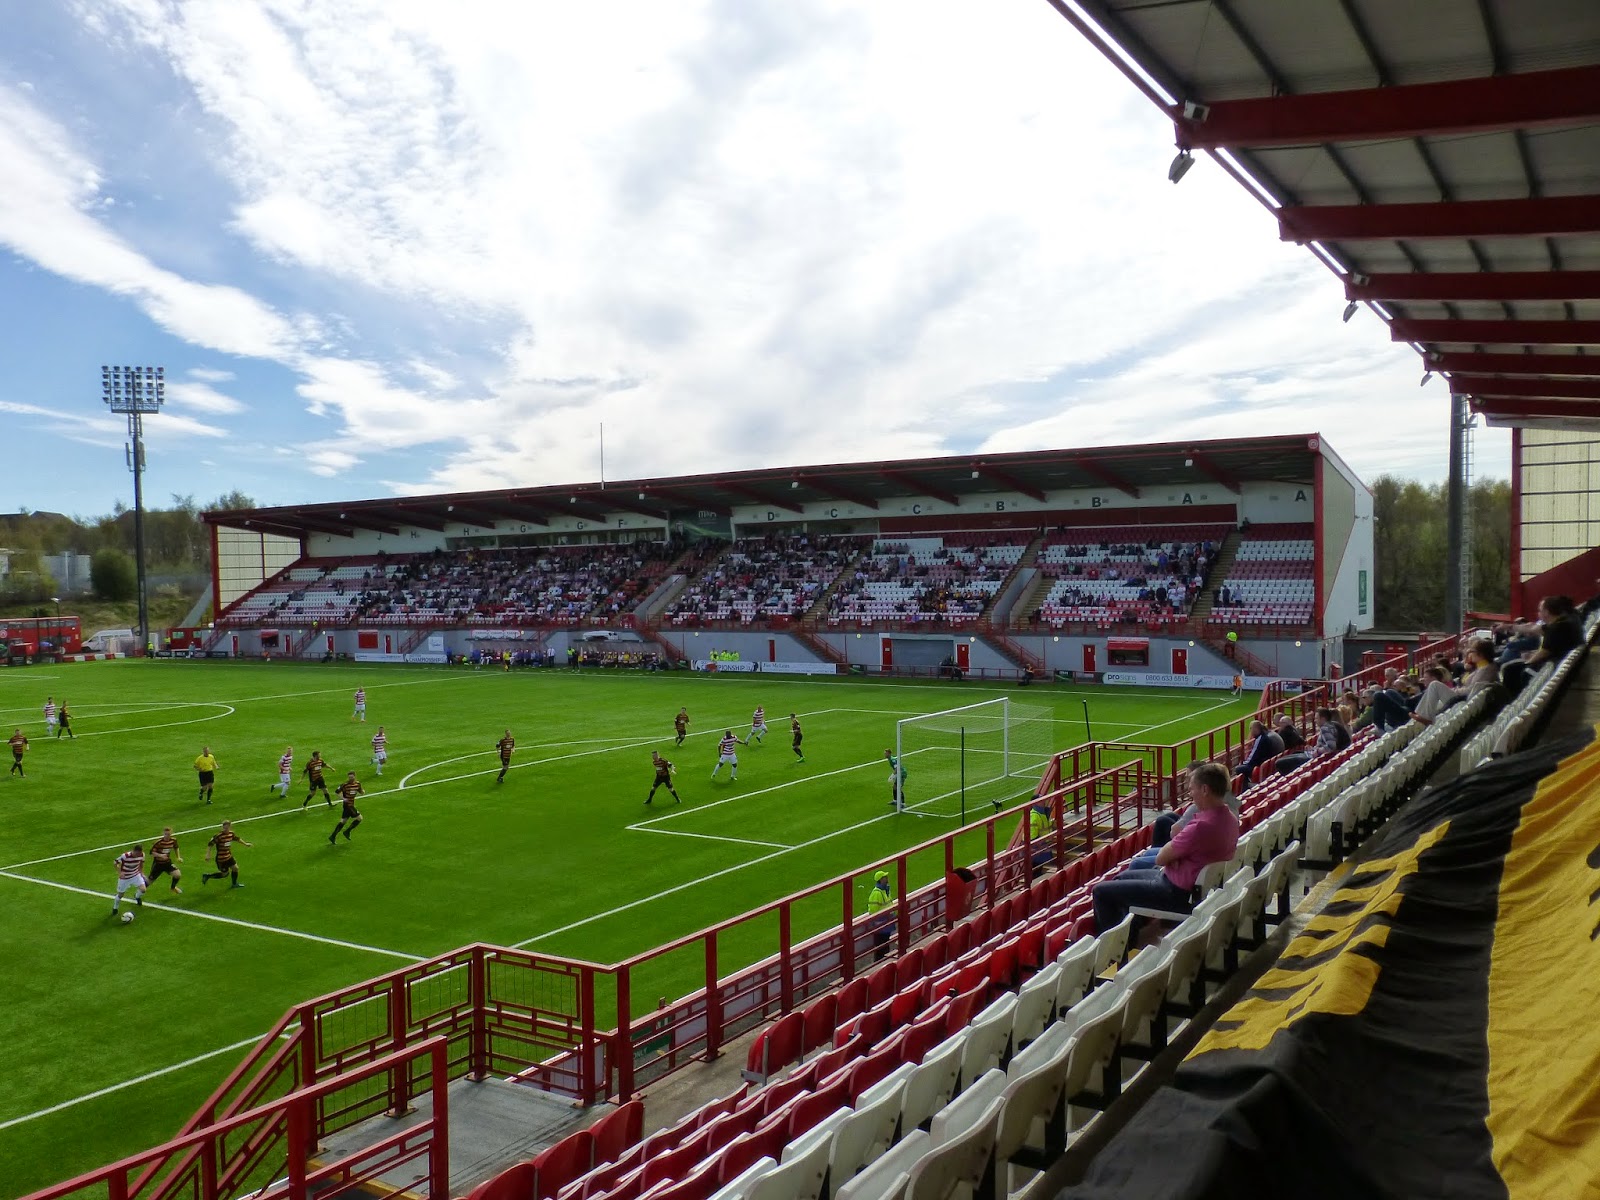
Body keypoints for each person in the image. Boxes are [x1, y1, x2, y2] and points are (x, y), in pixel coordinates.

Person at [1092, 762, 1239, 933]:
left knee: (1100, 891)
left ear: (1205, 790)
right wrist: (1176, 856)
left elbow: (1161, 857)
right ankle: (1129, 935)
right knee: (1121, 878)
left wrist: (1174, 857)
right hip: (1188, 885)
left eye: (1193, 789)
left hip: (1174, 891)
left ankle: (1113, 953)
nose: (1191, 794)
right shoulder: (1229, 818)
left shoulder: (1201, 826)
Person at [1502, 596, 1582, 696]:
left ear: (1547, 612)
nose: (1538, 612)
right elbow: (1535, 630)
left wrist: (1528, 661)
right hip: (1559, 662)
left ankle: (1514, 700)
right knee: (1512, 665)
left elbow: (1545, 652)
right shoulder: (1560, 622)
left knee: (1510, 670)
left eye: (1540, 610)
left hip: (1553, 667)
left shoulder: (1557, 628)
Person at [1276, 707, 1350, 774]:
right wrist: (1313, 748)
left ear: (1323, 719)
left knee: (1280, 762)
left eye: (1316, 718)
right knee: (1293, 754)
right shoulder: (1332, 725)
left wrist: (1317, 751)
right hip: (1314, 754)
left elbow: (1331, 747)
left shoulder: (1326, 728)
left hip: (1316, 758)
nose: (1314, 721)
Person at [1232, 721, 1283, 793]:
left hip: (1259, 765)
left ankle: (1244, 791)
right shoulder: (1266, 736)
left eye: (1251, 728)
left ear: (1256, 729)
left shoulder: (1261, 738)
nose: (1250, 731)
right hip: (1265, 763)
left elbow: (1253, 756)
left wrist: (1243, 763)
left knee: (1239, 769)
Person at [201, 820, 251, 888]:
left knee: (235, 868)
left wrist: (245, 844)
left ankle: (234, 884)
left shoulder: (231, 834)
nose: (225, 829)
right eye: (224, 828)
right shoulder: (219, 836)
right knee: (225, 874)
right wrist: (208, 854)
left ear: (230, 827)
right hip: (221, 859)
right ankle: (208, 876)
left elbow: (237, 839)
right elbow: (210, 844)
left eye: (226, 828)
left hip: (228, 856)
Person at [866, 869, 894, 961]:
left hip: (886, 924)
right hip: (881, 926)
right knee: (880, 949)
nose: (887, 878)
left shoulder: (885, 890)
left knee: (885, 946)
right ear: (881, 880)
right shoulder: (877, 893)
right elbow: (873, 911)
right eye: (885, 877)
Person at [111, 843, 147, 916]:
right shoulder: (125, 856)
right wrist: (120, 872)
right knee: (121, 895)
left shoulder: (142, 855)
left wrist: (141, 873)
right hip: (125, 878)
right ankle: (115, 908)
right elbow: (115, 863)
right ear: (133, 851)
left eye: (139, 853)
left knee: (143, 889)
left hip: (135, 875)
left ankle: (137, 896)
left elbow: (141, 863)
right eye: (137, 853)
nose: (138, 855)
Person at [330, 772, 364, 843]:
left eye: (352, 777)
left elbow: (361, 791)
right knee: (359, 818)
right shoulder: (345, 785)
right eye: (349, 777)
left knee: (343, 821)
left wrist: (362, 792)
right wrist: (343, 798)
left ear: (355, 776)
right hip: (348, 805)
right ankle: (347, 831)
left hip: (350, 805)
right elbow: (337, 792)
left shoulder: (357, 784)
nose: (350, 779)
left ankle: (333, 836)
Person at [148, 826, 183, 894]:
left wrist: (178, 857)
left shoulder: (173, 840)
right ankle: (138, 894)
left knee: (177, 874)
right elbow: (152, 852)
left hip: (167, 863)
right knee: (149, 882)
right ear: (163, 834)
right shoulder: (158, 842)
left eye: (168, 834)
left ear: (171, 834)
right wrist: (161, 855)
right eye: (165, 834)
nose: (167, 836)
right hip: (158, 864)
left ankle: (173, 888)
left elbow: (176, 847)